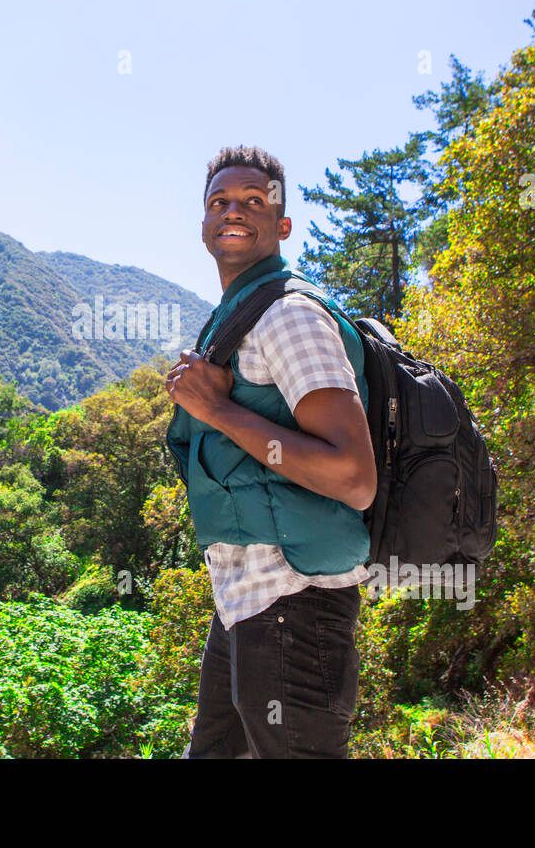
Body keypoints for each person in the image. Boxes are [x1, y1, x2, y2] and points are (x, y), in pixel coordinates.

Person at [165, 144, 377, 758]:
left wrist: (219, 411)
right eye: (220, 202)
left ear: (281, 225)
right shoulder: (237, 316)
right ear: (204, 224)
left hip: (296, 603)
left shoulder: (289, 316)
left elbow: (353, 475)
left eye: (254, 201)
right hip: (244, 599)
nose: (234, 211)